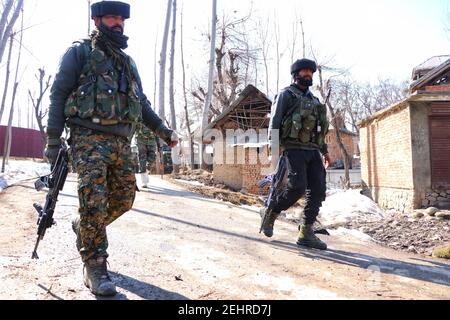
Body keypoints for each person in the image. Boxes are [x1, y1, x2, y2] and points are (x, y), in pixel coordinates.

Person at [44, 1, 178, 296]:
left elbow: (140, 103)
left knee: (124, 198)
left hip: (120, 141)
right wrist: (53, 140)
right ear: (97, 20)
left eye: (121, 18)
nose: (118, 22)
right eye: (112, 17)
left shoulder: (127, 63)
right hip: (87, 136)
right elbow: (58, 94)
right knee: (93, 199)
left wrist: (163, 131)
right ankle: (95, 265)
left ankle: (84, 225)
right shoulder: (79, 52)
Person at [261, 58, 331, 250]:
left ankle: (306, 232)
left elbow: (318, 129)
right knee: (297, 187)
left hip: (313, 150)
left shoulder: (314, 100)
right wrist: (273, 149)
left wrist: (325, 151)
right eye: (304, 71)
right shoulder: (286, 95)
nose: (308, 74)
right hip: (292, 149)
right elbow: (274, 123)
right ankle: (271, 212)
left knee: (318, 190)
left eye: (311, 71)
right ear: (295, 74)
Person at [135, 121, 157, 188]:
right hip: (140, 140)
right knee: (142, 160)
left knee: (152, 158)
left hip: (152, 141)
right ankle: (144, 182)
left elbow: (158, 132)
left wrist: (159, 145)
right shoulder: (138, 117)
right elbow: (133, 128)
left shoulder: (153, 119)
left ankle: (146, 171)